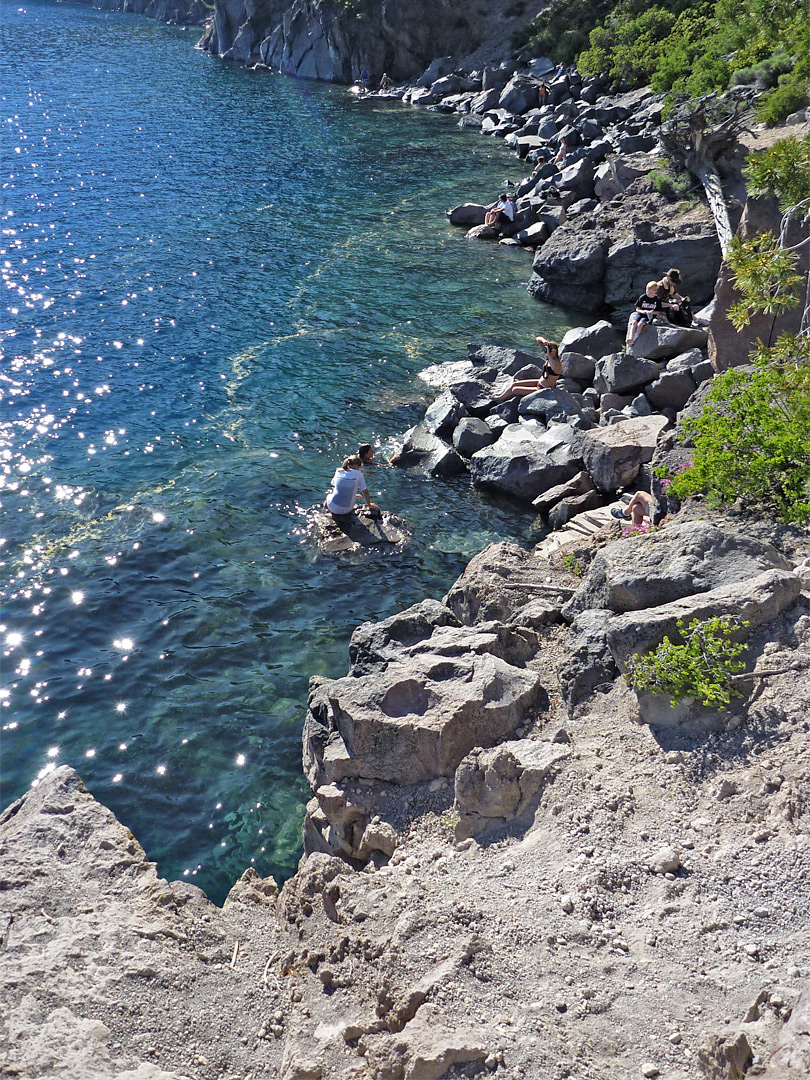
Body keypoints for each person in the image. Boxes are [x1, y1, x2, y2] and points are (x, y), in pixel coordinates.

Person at [493, 336, 562, 401]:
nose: (544, 352)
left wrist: (548, 353)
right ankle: (500, 397)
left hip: (543, 389)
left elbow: (552, 365)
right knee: (514, 384)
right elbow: (538, 339)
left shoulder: (556, 363)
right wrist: (544, 341)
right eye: (544, 350)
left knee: (515, 389)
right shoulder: (550, 358)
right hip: (539, 382)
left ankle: (500, 398)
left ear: (554, 351)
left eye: (546, 350)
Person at [626, 280, 664, 346]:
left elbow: (658, 312)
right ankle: (630, 337)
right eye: (647, 291)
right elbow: (637, 308)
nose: (647, 293)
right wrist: (642, 311)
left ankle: (633, 339)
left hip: (647, 316)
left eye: (650, 292)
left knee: (640, 324)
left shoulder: (657, 300)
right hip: (640, 313)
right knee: (634, 323)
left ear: (655, 292)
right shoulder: (642, 297)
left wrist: (652, 312)